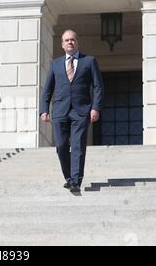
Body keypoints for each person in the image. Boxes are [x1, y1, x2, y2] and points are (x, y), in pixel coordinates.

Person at [39, 30, 104, 193]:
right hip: (60, 111)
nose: (70, 42)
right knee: (61, 146)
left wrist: (95, 107)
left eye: (73, 40)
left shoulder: (89, 61)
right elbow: (47, 90)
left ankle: (76, 180)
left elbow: (98, 87)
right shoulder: (55, 64)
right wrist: (43, 110)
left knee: (78, 146)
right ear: (62, 44)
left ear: (77, 43)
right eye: (66, 40)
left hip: (81, 111)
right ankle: (68, 177)